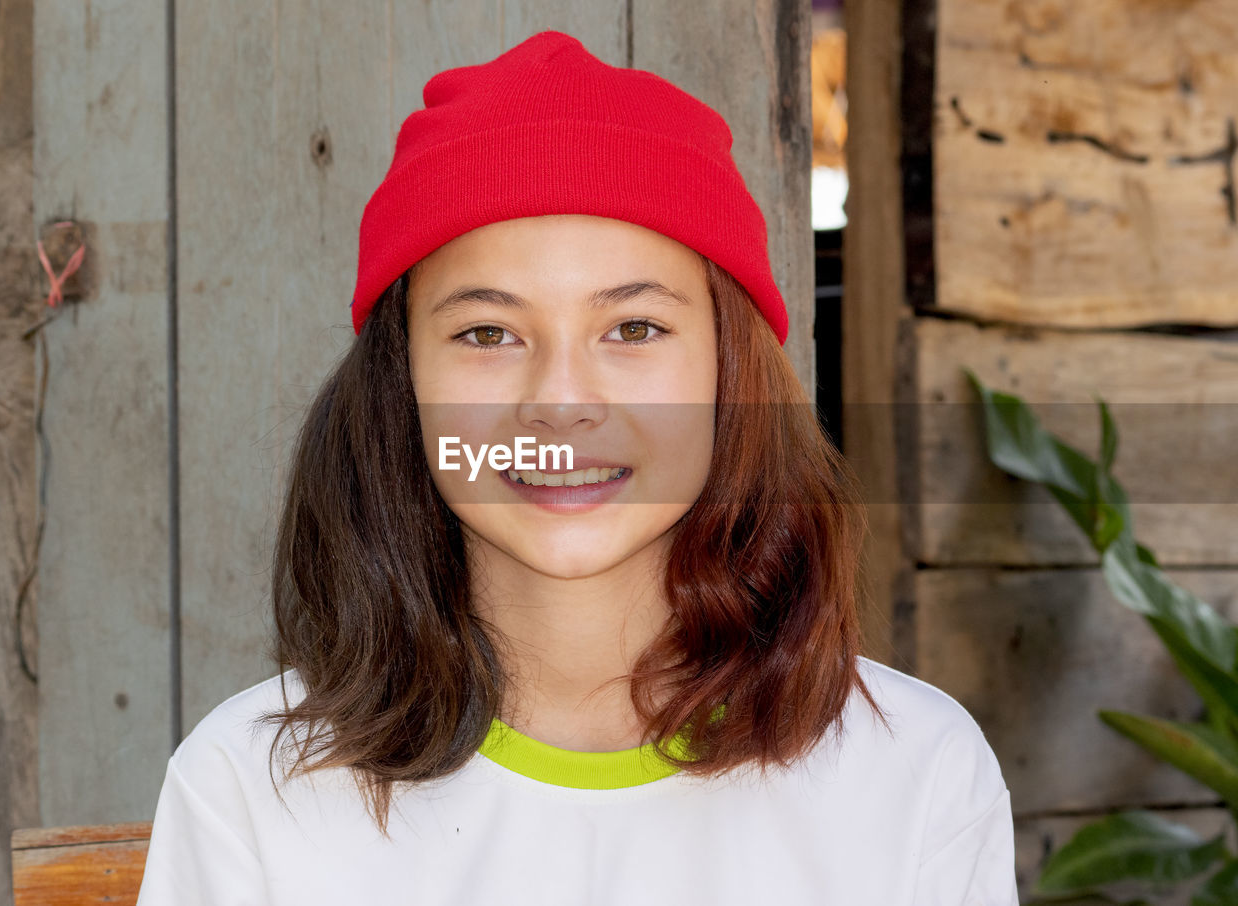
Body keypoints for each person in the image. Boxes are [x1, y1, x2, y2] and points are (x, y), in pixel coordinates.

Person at [134, 29, 1017, 905]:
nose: (560, 400)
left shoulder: (915, 774)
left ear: (731, 371)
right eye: (488, 333)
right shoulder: (249, 790)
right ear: (401, 384)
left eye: (633, 329)